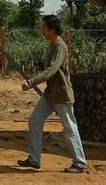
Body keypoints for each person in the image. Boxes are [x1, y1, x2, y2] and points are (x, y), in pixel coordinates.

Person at [17, 14, 88, 174]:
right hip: (51, 93)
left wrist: (31, 82)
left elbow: (51, 70)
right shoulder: (51, 45)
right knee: (35, 120)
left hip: (61, 93)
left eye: (44, 27)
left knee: (69, 127)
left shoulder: (59, 46)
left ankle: (80, 163)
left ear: (52, 29)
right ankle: (34, 160)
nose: (42, 30)